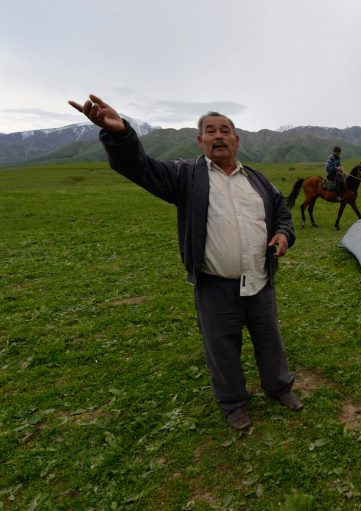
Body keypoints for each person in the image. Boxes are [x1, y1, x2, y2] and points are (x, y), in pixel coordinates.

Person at [68, 94, 303, 430]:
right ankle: (234, 403)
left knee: (270, 340)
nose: (218, 136)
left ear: (237, 140)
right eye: (210, 131)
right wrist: (121, 135)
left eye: (225, 130)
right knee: (221, 349)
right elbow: (139, 167)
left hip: (260, 280)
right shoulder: (185, 176)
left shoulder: (257, 180)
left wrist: (282, 234)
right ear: (200, 141)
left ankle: (279, 388)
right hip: (215, 286)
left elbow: (281, 213)